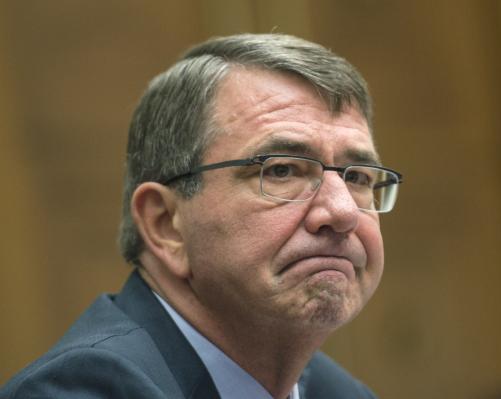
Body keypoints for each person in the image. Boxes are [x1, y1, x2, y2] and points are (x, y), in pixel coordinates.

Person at [1, 33, 401, 399]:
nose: (343, 211)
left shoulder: (341, 394)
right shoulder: (84, 388)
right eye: (282, 170)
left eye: (359, 177)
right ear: (165, 225)